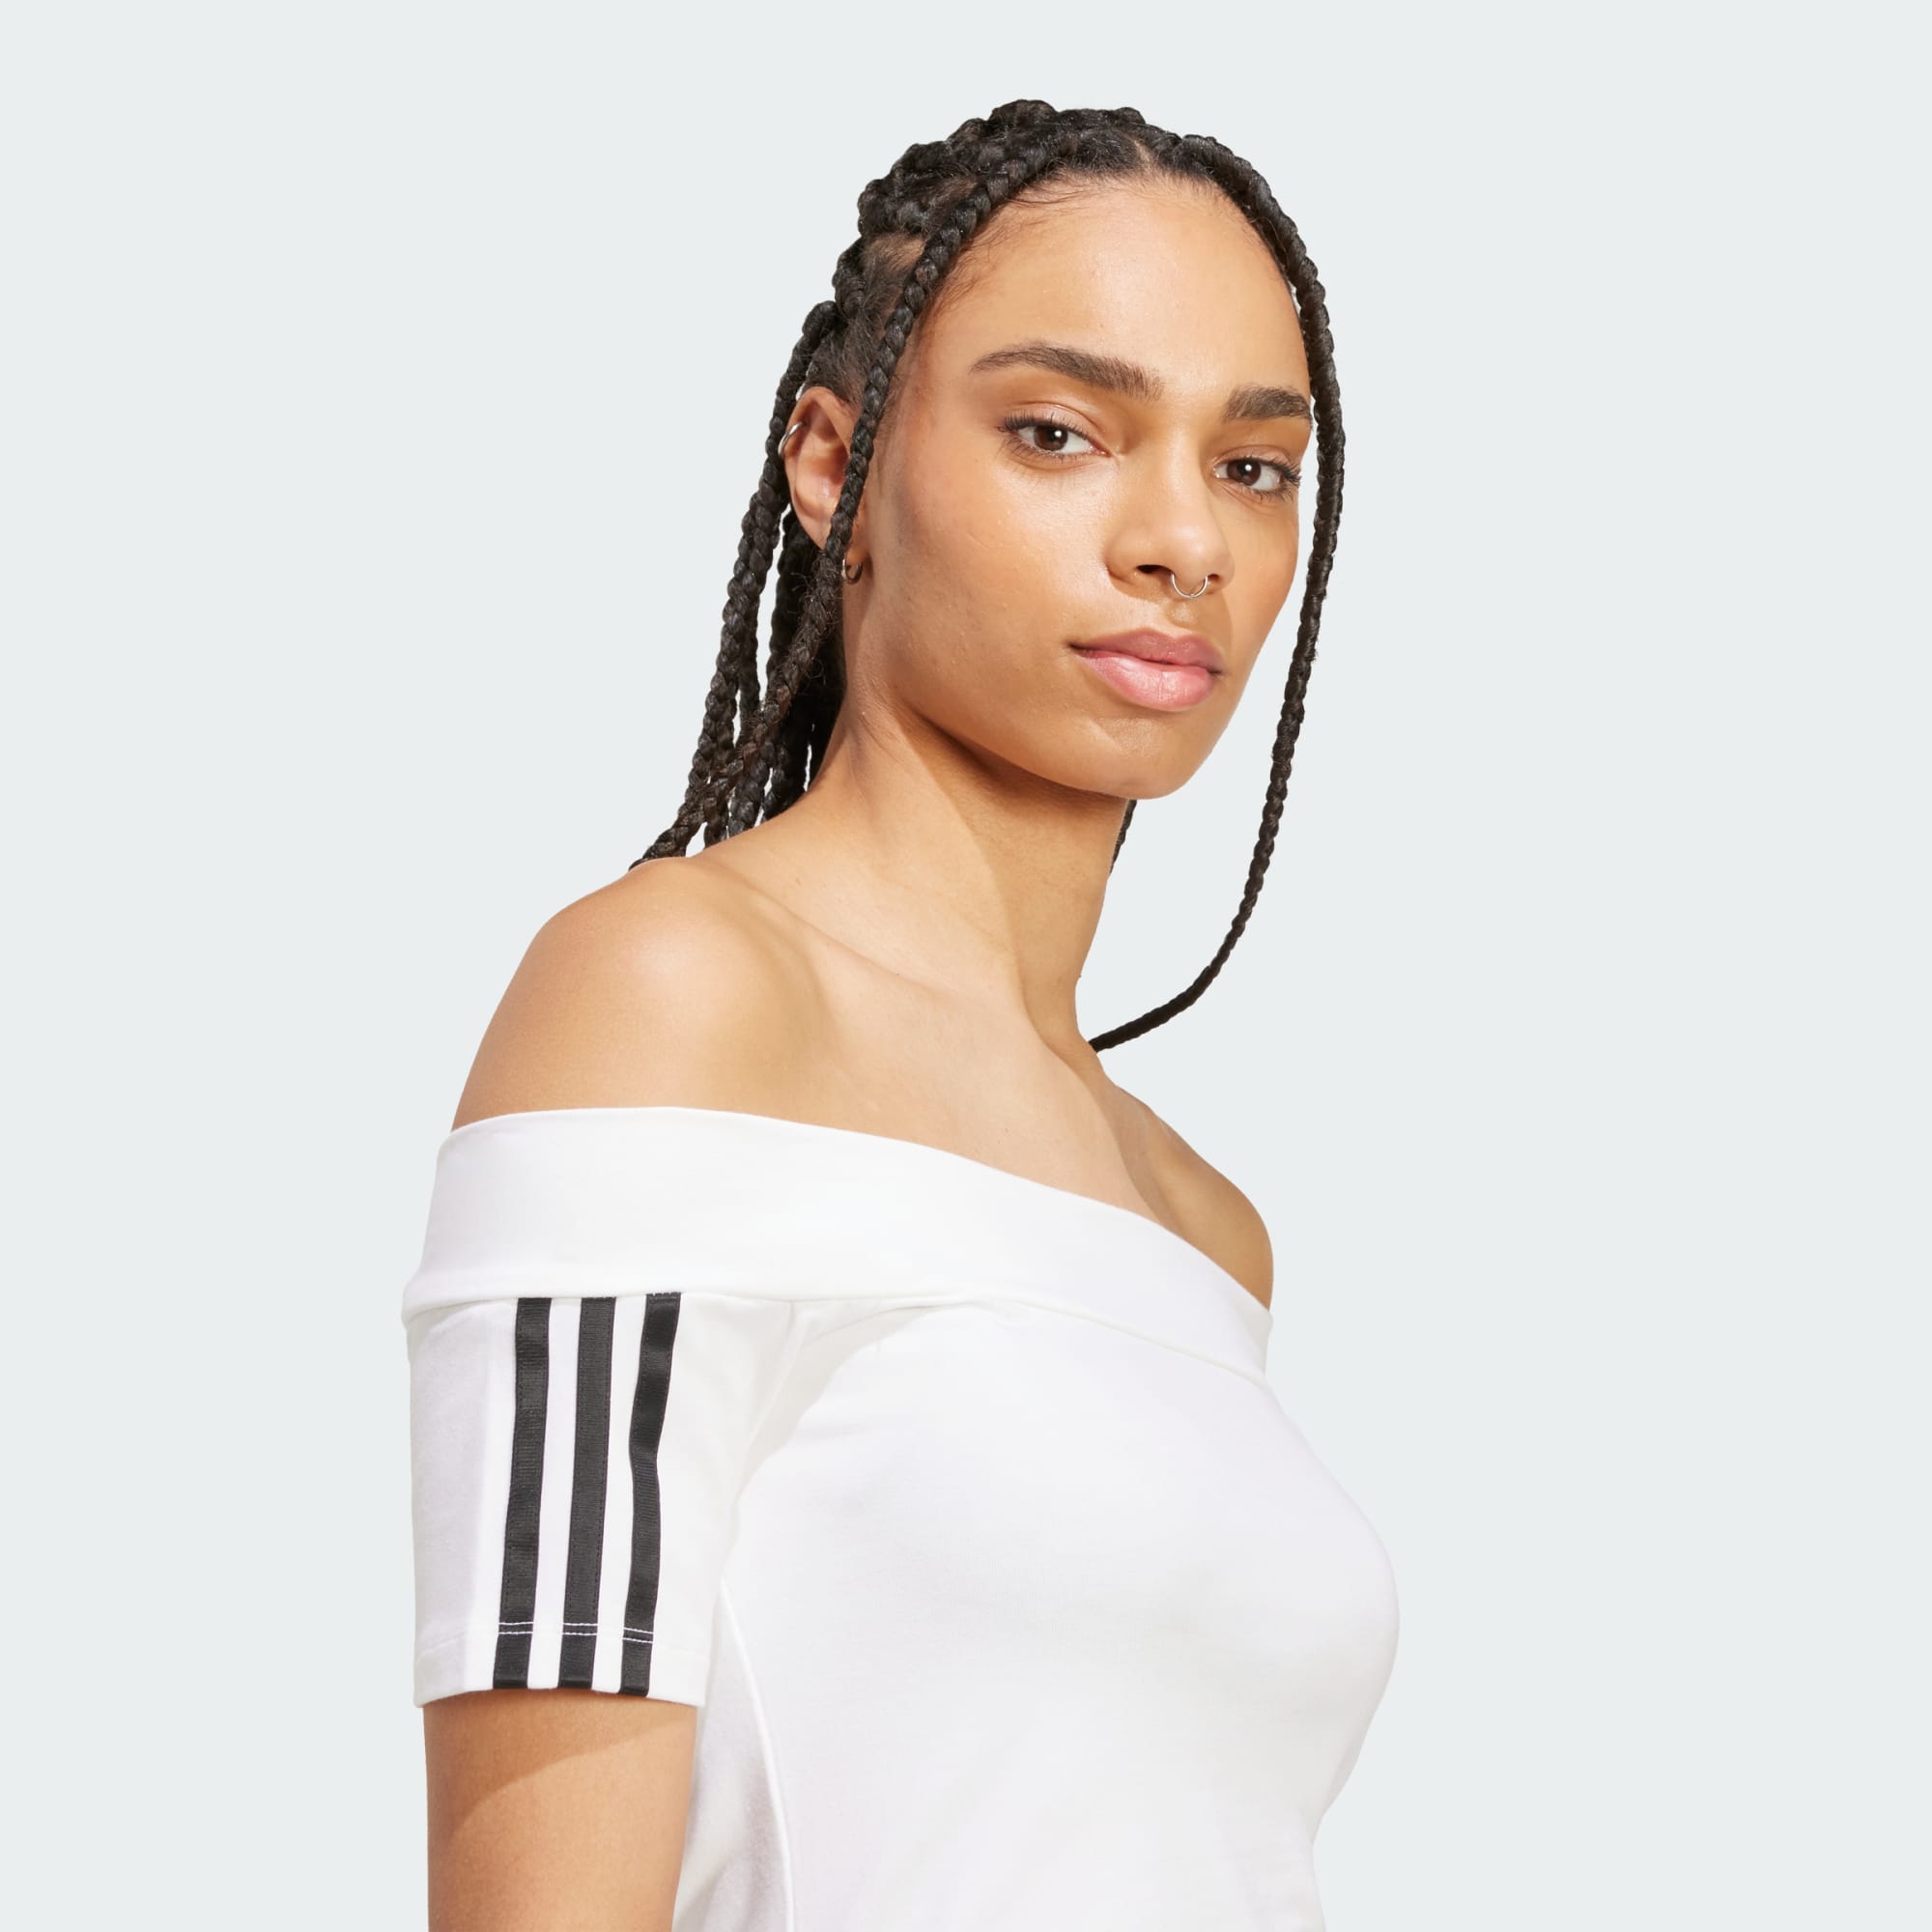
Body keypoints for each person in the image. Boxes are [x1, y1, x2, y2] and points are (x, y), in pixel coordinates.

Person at [403, 98, 1400, 1931]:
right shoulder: (671, 1004)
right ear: (832, 464)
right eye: (1058, 434)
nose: (1183, 537)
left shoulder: (1200, 1227)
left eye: (1255, 465)